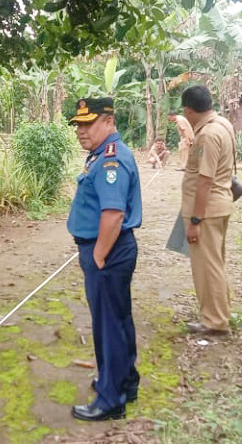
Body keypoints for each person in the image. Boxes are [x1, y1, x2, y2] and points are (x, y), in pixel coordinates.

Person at [66, 97, 143, 422]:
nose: (82, 131)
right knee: (119, 320)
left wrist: (97, 256)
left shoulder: (111, 160)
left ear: (109, 122)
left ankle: (111, 399)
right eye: (79, 124)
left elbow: (112, 214)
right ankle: (125, 381)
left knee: (108, 326)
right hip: (111, 251)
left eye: (89, 123)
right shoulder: (99, 155)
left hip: (107, 252)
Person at [179, 85, 235, 336]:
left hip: (208, 211)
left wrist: (195, 219)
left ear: (189, 110)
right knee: (214, 264)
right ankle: (218, 313)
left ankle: (214, 321)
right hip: (218, 205)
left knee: (207, 267)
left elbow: (205, 181)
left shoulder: (208, 135)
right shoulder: (223, 124)